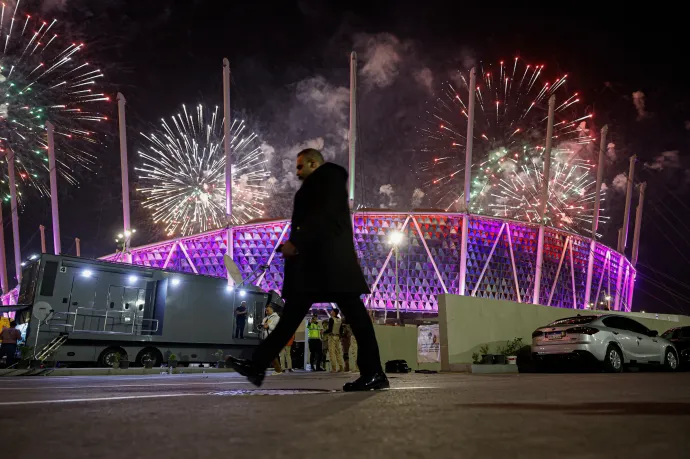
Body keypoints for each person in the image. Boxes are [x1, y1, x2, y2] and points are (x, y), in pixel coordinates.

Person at [227, 148, 388, 391]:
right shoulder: (322, 183)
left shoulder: (328, 179)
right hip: (318, 266)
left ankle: (374, 372)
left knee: (354, 316)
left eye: (301, 166)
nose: (298, 172)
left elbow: (322, 217)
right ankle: (256, 364)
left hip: (329, 264)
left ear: (314, 163)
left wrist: (297, 242)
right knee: (293, 317)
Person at [261, 305, 282, 374]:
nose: (266, 312)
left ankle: (278, 370)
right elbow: (262, 327)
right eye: (266, 310)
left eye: (268, 310)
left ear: (272, 310)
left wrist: (268, 326)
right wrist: (261, 326)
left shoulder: (276, 318)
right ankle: (278, 369)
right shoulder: (265, 318)